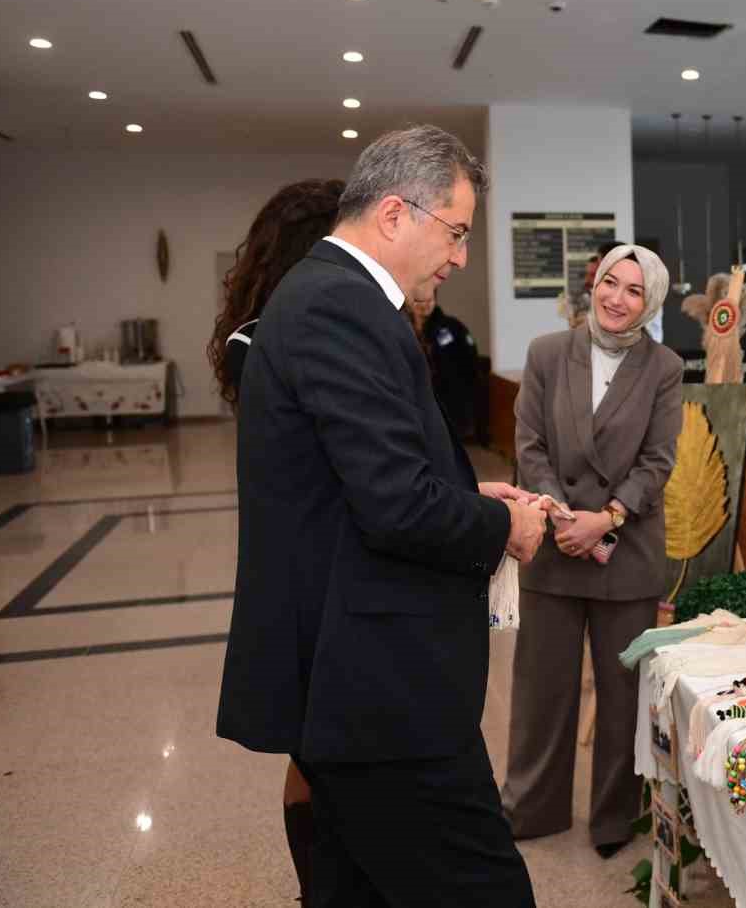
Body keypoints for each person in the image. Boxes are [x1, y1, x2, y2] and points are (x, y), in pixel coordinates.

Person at [215, 125, 546, 907]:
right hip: (380, 694)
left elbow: (363, 480)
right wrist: (508, 529)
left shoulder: (326, 298)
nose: (461, 256)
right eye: (457, 232)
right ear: (396, 214)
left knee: (356, 886)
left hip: (354, 682)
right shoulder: (341, 306)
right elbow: (396, 507)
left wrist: (471, 499)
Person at [505, 244, 683, 858]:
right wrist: (560, 514)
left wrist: (604, 519)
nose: (617, 297)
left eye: (634, 290)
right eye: (611, 281)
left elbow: (658, 461)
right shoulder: (548, 354)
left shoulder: (664, 368)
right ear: (594, 285)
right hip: (554, 544)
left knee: (621, 699)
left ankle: (614, 819)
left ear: (650, 302)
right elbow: (529, 445)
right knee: (540, 691)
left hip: (625, 549)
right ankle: (531, 808)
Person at [207, 177, 342, 905]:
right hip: (299, 577)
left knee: (319, 754)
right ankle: (316, 888)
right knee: (315, 754)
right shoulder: (258, 343)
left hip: (308, 567)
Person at [408, 284, 480, 443]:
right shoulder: (404, 326)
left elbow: (470, 359)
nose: (425, 304)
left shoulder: (452, 327)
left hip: (449, 399)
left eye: (430, 300)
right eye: (420, 300)